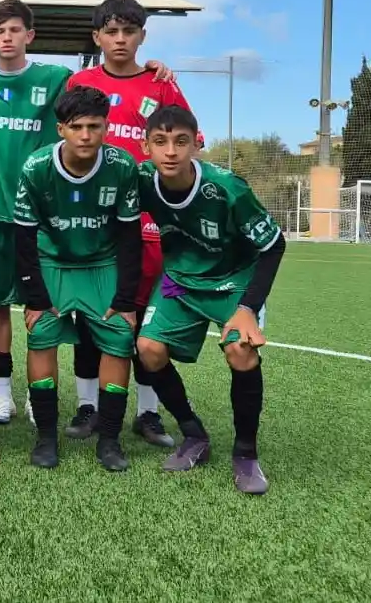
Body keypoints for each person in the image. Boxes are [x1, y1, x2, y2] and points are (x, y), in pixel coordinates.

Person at [64, 0, 193, 446]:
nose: (120, 39)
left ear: (143, 36)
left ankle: (148, 412)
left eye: (129, 31)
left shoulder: (161, 85)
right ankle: (88, 406)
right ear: (97, 37)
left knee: (142, 316)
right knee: (90, 315)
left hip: (146, 220)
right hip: (91, 218)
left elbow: (186, 138)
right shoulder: (80, 82)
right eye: (111, 31)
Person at [136, 105, 284, 495]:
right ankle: (193, 434)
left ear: (196, 145)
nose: (171, 151)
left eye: (181, 142)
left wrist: (248, 308)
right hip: (180, 281)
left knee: (240, 352)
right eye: (160, 142)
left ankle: (246, 453)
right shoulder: (141, 180)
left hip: (233, 281)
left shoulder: (227, 189)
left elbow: (273, 245)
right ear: (146, 147)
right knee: (148, 349)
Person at [0, 0, 72, 424]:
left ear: (30, 35)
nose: (7, 37)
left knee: (42, 309)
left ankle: (39, 397)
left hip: (39, 219)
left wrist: (153, 69)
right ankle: (1, 396)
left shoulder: (56, 78)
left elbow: (100, 91)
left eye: (15, 29)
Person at [13, 86, 143, 471]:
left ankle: (110, 440)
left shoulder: (122, 166)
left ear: (106, 127)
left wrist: (125, 300)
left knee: (119, 337)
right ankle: (46, 438)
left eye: (94, 126)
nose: (85, 135)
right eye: (76, 127)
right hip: (52, 262)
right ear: (61, 129)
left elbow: (130, 236)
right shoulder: (37, 167)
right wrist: (35, 298)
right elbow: (23, 237)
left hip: (101, 263)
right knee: (41, 334)